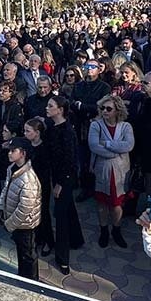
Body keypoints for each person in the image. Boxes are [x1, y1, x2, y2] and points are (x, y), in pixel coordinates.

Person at [88, 95, 135, 249]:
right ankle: (103, 231)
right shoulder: (96, 125)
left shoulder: (126, 126)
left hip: (121, 170)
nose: (105, 111)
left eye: (109, 109)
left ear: (117, 110)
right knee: (102, 203)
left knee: (116, 203)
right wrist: (115, 151)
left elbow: (128, 145)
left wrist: (107, 143)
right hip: (102, 169)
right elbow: (94, 146)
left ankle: (116, 229)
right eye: (102, 108)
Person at [46, 95, 85, 274]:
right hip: (57, 175)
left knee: (60, 215)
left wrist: (60, 183)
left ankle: (63, 259)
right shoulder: (51, 128)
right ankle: (77, 239)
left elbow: (69, 159)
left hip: (65, 178)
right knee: (68, 208)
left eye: (50, 106)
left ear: (60, 110)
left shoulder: (67, 131)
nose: (47, 108)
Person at [0, 137, 42, 280]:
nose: (9, 154)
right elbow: (6, 189)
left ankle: (32, 282)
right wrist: (0, 207)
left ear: (22, 153)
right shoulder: (12, 169)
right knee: (21, 252)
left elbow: (25, 208)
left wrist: (9, 224)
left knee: (28, 255)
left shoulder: (28, 179)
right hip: (15, 222)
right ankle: (23, 277)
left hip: (25, 225)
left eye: (13, 151)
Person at [71, 58, 112, 202]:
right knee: (83, 159)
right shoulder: (78, 86)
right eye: (87, 66)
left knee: (98, 158)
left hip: (97, 125)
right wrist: (82, 107)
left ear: (99, 70)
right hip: (81, 125)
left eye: (93, 67)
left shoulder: (104, 87)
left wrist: (83, 106)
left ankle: (99, 188)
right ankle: (86, 188)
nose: (89, 69)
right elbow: (73, 103)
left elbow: (101, 106)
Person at [24, 117, 55, 257]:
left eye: (28, 131)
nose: (25, 133)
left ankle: (49, 241)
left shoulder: (45, 148)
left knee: (43, 213)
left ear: (37, 132)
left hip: (41, 185)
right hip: (29, 185)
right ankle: (38, 238)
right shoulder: (28, 146)